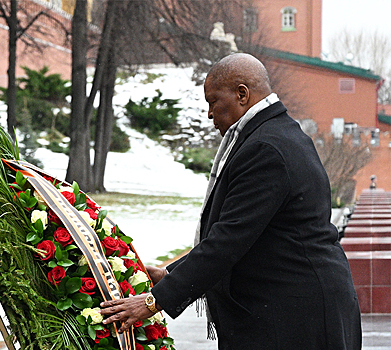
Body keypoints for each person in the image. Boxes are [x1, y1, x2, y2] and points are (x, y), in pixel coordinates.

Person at [100, 53, 362, 349]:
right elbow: (244, 235)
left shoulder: (266, 147)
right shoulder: (272, 135)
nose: (209, 114)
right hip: (290, 309)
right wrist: (170, 274)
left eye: (212, 101)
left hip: (295, 317)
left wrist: (153, 301)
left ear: (242, 94)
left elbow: (229, 240)